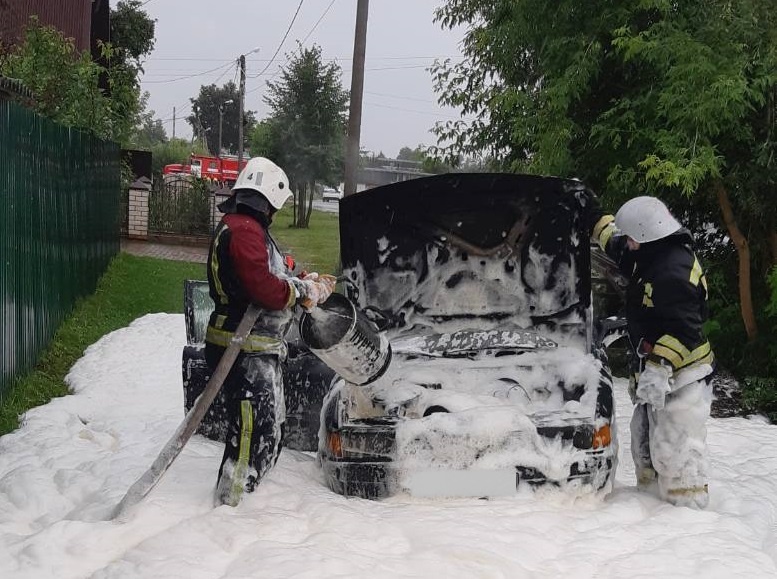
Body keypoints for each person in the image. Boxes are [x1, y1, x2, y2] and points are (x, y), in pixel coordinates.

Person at [204, 157, 336, 507]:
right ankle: (230, 507)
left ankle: (250, 500)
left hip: (258, 350)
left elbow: (274, 269)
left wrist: (299, 276)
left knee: (270, 425)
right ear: (269, 199)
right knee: (251, 430)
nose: (276, 213)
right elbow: (263, 287)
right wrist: (301, 292)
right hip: (241, 351)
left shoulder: (250, 230)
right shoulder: (244, 231)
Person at [589, 195, 715, 509]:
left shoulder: (675, 272)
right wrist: (590, 214)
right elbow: (612, 239)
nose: (626, 244)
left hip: (683, 374)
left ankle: (688, 516)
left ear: (646, 236)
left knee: (676, 451)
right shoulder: (646, 250)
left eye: (630, 239)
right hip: (653, 369)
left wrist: (659, 367)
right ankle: (650, 517)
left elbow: (684, 329)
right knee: (643, 444)